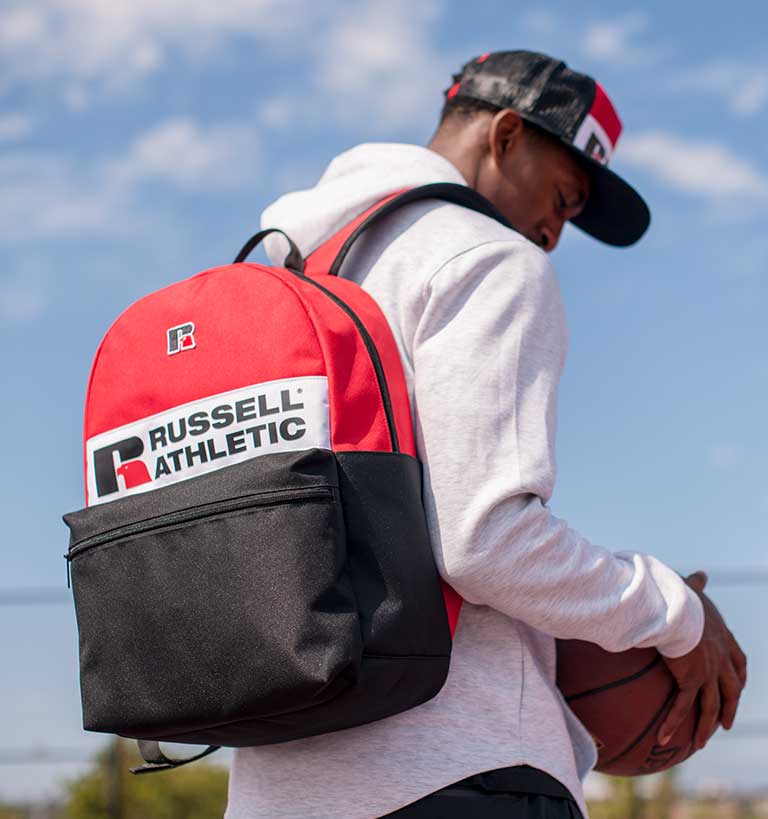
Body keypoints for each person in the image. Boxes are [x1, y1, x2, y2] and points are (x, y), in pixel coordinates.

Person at [225, 50, 746, 819]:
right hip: (457, 770)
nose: (553, 235)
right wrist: (675, 613)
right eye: (563, 200)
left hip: (278, 777)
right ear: (505, 135)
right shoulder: (487, 258)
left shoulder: (289, 276)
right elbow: (486, 541)